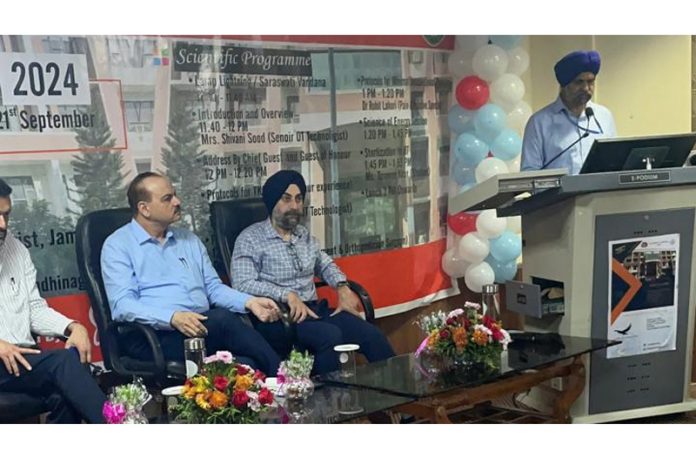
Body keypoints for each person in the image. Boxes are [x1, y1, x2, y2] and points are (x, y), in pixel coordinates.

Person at [101, 172, 282, 376]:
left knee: (248, 364)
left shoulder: (188, 240)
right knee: (223, 319)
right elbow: (122, 305)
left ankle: (280, 389)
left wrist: (249, 302)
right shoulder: (118, 245)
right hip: (153, 337)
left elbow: (213, 288)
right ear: (144, 209)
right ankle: (287, 379)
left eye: (175, 195)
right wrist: (172, 317)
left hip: (201, 329)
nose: (177, 202)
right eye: (168, 198)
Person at [231, 170, 395, 375]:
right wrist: (286, 294)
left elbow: (325, 265)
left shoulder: (303, 235)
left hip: (315, 311)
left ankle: (400, 395)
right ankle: (327, 401)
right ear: (272, 202)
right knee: (330, 336)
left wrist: (342, 286)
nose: (294, 206)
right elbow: (242, 283)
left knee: (371, 335)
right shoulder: (250, 239)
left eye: (299, 199)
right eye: (286, 199)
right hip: (280, 319)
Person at [0, 178, 106, 423]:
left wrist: (72, 327)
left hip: (22, 360)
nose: (3, 224)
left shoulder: (16, 248)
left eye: (6, 215)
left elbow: (34, 309)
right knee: (63, 363)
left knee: (65, 393)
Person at [521, 50, 617, 175]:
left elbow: (615, 163)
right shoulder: (539, 122)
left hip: (599, 194)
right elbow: (529, 172)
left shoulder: (604, 116)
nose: (586, 88)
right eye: (579, 82)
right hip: (557, 194)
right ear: (564, 85)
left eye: (591, 82)